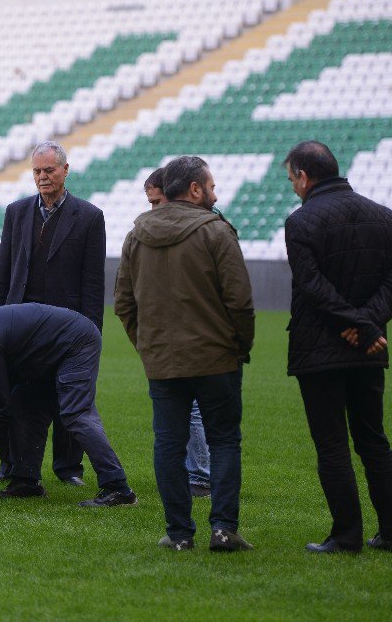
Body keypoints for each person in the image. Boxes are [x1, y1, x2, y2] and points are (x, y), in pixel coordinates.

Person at [115, 155, 254, 551]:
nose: (215, 193)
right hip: (217, 360)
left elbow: (124, 304)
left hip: (162, 363)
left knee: (168, 445)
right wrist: (239, 346)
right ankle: (224, 529)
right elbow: (240, 301)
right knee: (224, 441)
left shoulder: (136, 236)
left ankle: (178, 534)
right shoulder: (217, 232)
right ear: (195, 189)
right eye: (211, 186)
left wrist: (149, 346)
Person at [283, 141, 392, 554]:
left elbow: (313, 287)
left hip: (319, 351)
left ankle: (346, 535)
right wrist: (369, 325)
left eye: (292, 180)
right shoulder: (384, 216)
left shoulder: (301, 223)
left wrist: (355, 324)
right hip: (369, 350)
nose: (293, 189)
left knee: (332, 444)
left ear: (304, 176)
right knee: (374, 439)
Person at [0, 304, 138, 508]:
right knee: (23, 405)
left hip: (75, 342)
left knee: (75, 414)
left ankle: (118, 488)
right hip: (45, 354)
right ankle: (26, 482)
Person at [0, 141, 106, 487]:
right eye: (37, 171)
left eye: (49, 170)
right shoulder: (16, 211)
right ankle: (10, 465)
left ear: (65, 170)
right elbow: (3, 273)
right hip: (18, 324)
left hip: (66, 326)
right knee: (14, 394)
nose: (42, 177)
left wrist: (91, 332)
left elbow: (93, 283)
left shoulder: (89, 217)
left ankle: (68, 469)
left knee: (68, 393)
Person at [144, 168, 211, 499]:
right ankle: (196, 472)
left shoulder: (190, 233)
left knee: (192, 408)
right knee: (189, 408)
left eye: (157, 202)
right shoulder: (209, 228)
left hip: (188, 337)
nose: (153, 210)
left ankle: (199, 474)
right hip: (174, 336)